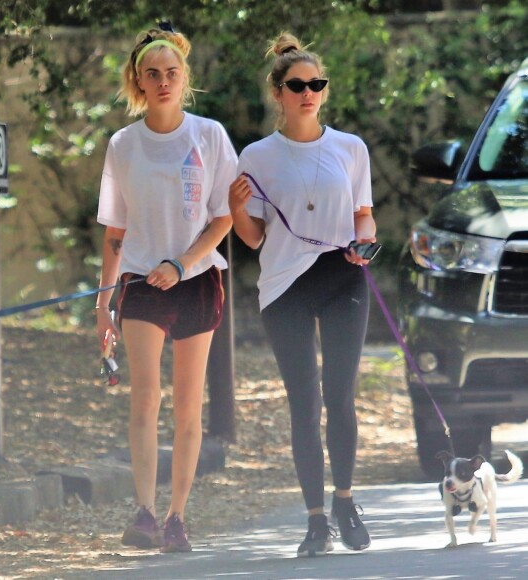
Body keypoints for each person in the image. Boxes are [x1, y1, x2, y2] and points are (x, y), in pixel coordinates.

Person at [229, 32, 377, 557]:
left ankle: (345, 500)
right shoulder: (257, 155)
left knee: (340, 395)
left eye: (317, 84)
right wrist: (235, 204)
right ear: (278, 92)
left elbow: (364, 213)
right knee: (304, 402)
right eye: (298, 85)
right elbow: (252, 237)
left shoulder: (350, 148)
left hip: (343, 277)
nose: (308, 92)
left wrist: (367, 240)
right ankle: (316, 519)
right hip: (285, 285)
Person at [95, 22, 237, 553]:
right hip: (140, 284)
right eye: (152, 74)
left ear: (184, 78)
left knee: (186, 408)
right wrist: (103, 301)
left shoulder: (210, 135)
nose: (162, 82)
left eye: (171, 73)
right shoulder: (122, 144)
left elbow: (223, 217)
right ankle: (145, 512)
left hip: (197, 280)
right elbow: (115, 231)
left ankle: (178, 515)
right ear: (138, 80)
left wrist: (182, 263)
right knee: (144, 399)